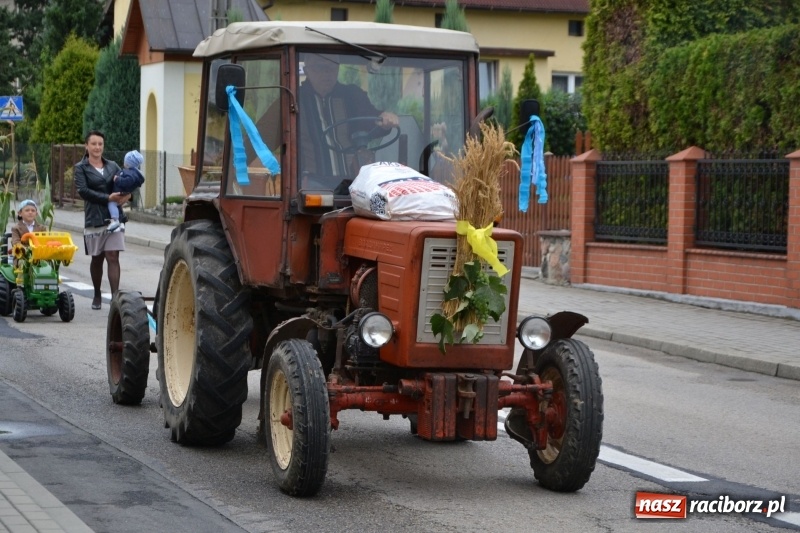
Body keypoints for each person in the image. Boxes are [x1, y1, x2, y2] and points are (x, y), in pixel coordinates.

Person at [298, 53, 399, 184]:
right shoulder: (294, 98)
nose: (327, 73)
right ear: (307, 71)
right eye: (320, 67)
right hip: (311, 180)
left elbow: (371, 120)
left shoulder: (351, 95)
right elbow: (267, 136)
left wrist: (384, 119)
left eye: (332, 67)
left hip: (350, 178)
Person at [73, 130, 130, 310]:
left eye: (100, 144)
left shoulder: (112, 165)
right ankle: (97, 293)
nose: (97, 147)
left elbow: (125, 182)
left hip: (114, 218)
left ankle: (115, 299)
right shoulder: (81, 168)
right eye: (94, 144)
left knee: (113, 256)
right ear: (87, 146)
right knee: (97, 258)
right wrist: (108, 198)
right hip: (94, 217)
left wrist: (127, 195)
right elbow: (83, 191)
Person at [107, 150, 145, 232]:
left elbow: (127, 182)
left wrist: (117, 180)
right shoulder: (133, 173)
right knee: (115, 204)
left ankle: (115, 220)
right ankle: (116, 221)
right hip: (120, 193)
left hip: (118, 193)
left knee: (112, 203)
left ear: (128, 163)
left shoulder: (129, 173)